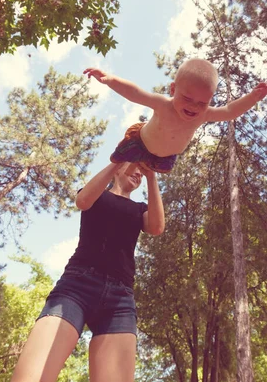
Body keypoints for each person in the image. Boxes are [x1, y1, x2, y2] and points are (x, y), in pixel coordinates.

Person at [10, 161, 164, 382]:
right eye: (134, 166)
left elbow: (157, 227)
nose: (139, 172)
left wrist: (152, 176)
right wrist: (118, 159)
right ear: (119, 168)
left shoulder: (140, 209)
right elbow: (82, 201)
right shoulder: (98, 194)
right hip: (76, 287)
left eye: (142, 170)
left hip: (119, 299)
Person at [84, 58, 267, 173]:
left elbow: (230, 111)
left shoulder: (204, 115)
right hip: (140, 142)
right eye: (187, 98)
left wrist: (254, 97)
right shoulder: (162, 104)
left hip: (167, 156)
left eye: (202, 102)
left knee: (161, 169)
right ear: (173, 89)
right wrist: (109, 80)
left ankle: (143, 165)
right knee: (118, 158)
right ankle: (132, 163)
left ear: (210, 99)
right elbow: (135, 93)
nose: (194, 106)